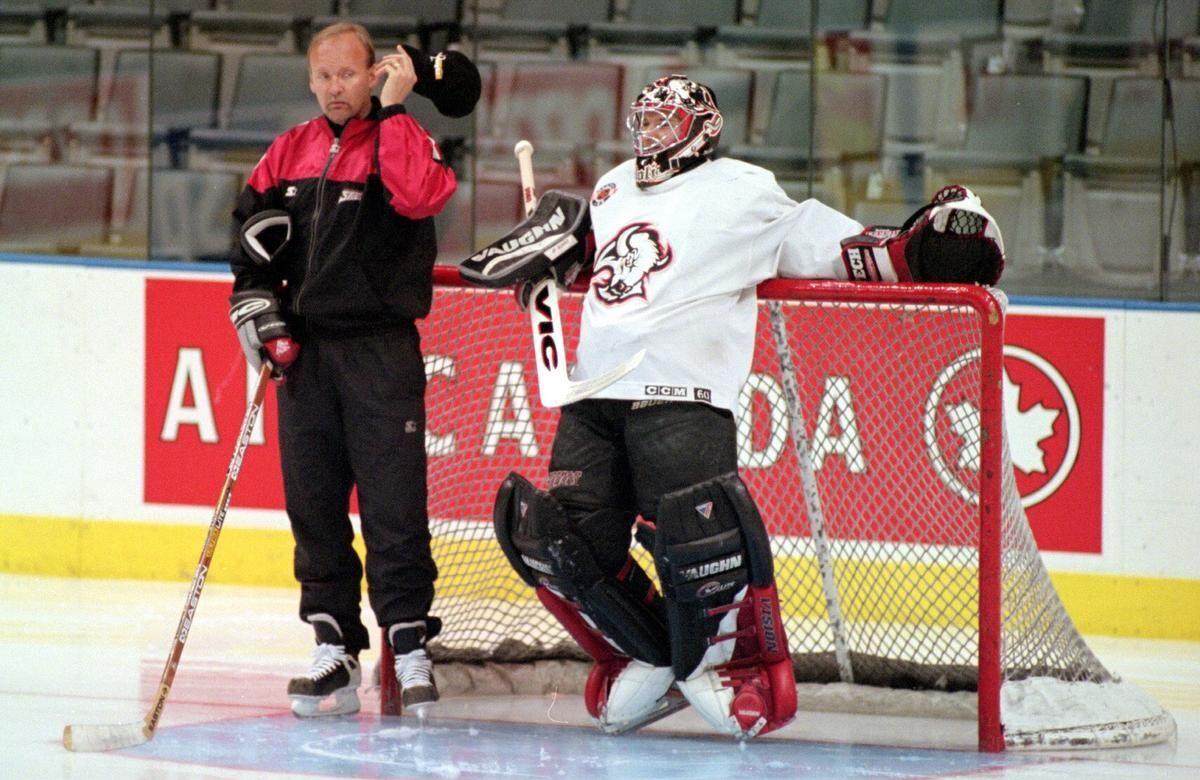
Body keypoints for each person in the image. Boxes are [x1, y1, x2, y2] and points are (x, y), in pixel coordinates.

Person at [460, 74, 1003, 739]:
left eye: (668, 117)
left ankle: (720, 667)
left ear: (704, 127)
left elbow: (823, 243)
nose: (651, 129)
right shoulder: (610, 185)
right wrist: (549, 264)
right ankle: (655, 656)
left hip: (681, 392)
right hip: (594, 395)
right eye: (646, 115)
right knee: (563, 542)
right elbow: (606, 267)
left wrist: (917, 249)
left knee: (696, 542)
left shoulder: (741, 189)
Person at [227, 22, 480, 717]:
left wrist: (398, 110)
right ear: (310, 80)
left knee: (394, 505)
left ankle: (409, 644)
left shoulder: (403, 136)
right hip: (305, 355)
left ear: (374, 75)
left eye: (349, 75)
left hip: (380, 350)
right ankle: (334, 645)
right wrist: (254, 303)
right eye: (325, 76)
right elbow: (248, 239)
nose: (336, 88)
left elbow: (420, 196)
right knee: (313, 506)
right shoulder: (287, 150)